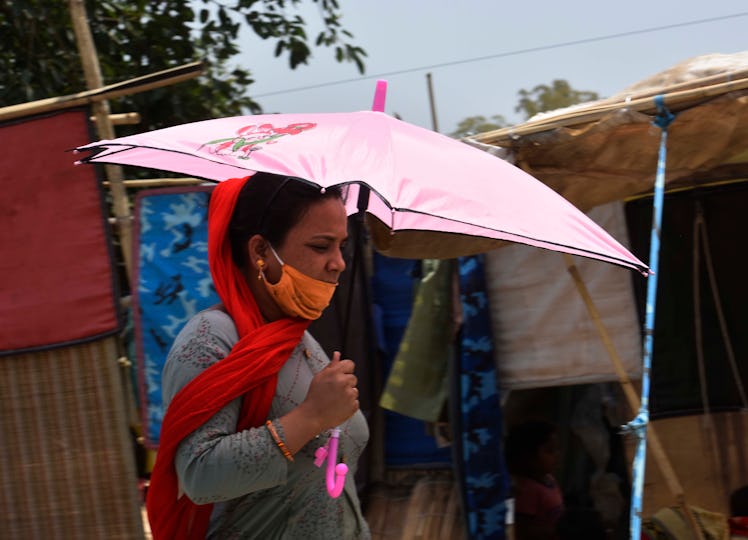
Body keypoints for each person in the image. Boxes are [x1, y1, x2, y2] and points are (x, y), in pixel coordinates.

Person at [146, 173, 370, 539]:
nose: (338, 263)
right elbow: (199, 476)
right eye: (320, 246)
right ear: (261, 252)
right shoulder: (211, 340)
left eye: (341, 247)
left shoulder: (297, 340)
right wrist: (311, 416)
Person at [505, 419, 565, 540]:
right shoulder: (527, 489)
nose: (557, 454)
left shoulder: (549, 480)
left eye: (557, 449)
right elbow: (523, 530)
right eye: (550, 451)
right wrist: (561, 530)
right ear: (528, 456)